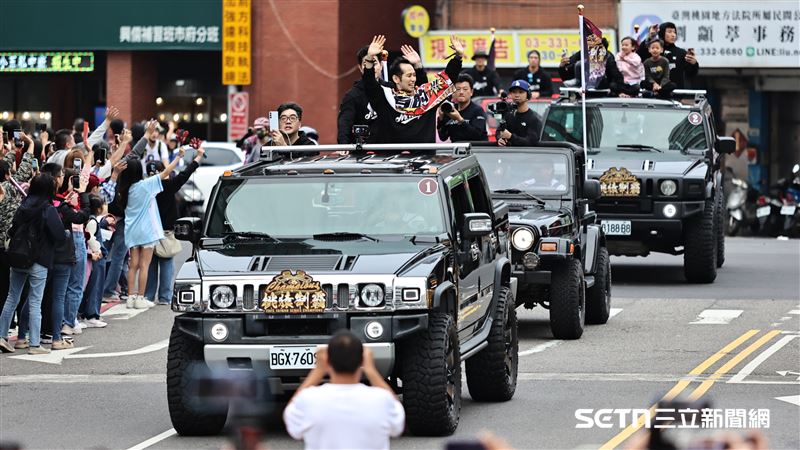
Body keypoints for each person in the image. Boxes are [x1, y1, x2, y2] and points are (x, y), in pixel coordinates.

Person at [283, 330, 405, 450]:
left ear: (327, 361)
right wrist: (371, 370)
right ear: (362, 361)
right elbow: (397, 419)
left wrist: (318, 371)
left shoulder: (308, 399)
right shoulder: (382, 400)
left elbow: (291, 418)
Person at [0, 174, 67, 354]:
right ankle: (35, 345)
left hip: (18, 257)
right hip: (39, 259)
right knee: (35, 302)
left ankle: (1, 336)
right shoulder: (48, 209)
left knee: (12, 297)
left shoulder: (23, 205)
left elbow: (13, 229)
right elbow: (59, 235)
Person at [361, 34, 464, 144]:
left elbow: (447, 79)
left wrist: (458, 57)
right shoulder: (386, 97)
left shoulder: (426, 97)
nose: (413, 79)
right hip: (392, 159)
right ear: (396, 79)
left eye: (414, 75)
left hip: (426, 159)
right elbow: (369, 83)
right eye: (409, 76)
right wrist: (369, 58)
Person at [117, 147, 184, 309]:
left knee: (133, 265)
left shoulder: (124, 189)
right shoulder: (145, 185)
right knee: (144, 265)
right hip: (147, 230)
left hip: (131, 230)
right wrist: (178, 157)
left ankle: (131, 297)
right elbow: (167, 171)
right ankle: (141, 298)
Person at [144, 145, 204, 305]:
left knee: (150, 265)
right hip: (167, 230)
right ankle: (164, 296)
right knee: (167, 262)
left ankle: (148, 296)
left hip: (149, 231)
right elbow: (185, 174)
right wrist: (198, 157)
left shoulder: (145, 188)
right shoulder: (169, 186)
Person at [338, 45, 430, 144]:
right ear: (360, 68)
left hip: (392, 150)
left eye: (375, 63)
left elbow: (422, 95)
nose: (372, 68)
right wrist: (344, 146)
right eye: (367, 63)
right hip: (365, 153)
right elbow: (345, 124)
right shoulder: (352, 96)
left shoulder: (391, 88)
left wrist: (418, 66)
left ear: (381, 65)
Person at [636, 22, 699, 89]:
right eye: (669, 32)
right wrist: (650, 37)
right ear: (662, 33)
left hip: (674, 94)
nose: (673, 35)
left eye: (674, 32)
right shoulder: (654, 51)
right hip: (653, 93)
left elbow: (691, 74)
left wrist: (694, 64)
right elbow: (638, 57)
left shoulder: (681, 53)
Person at [78, 194, 108, 328]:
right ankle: (91, 314)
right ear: (99, 208)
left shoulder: (91, 220)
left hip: (94, 257)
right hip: (96, 257)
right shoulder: (92, 221)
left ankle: (88, 313)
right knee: (95, 287)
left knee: (93, 286)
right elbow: (90, 237)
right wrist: (97, 250)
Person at [437, 73, 487, 142]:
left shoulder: (477, 111)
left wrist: (460, 120)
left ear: (471, 92)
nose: (461, 92)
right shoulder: (451, 110)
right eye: (458, 89)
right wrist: (441, 119)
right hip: (456, 150)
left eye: (465, 89)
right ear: (453, 92)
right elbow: (443, 137)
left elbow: (477, 135)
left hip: (475, 150)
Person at [497, 80, 542, 147]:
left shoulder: (534, 119)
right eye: (514, 92)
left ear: (528, 95)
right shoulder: (508, 115)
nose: (517, 95)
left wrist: (511, 137)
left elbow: (531, 142)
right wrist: (500, 139)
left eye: (521, 92)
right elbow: (498, 131)